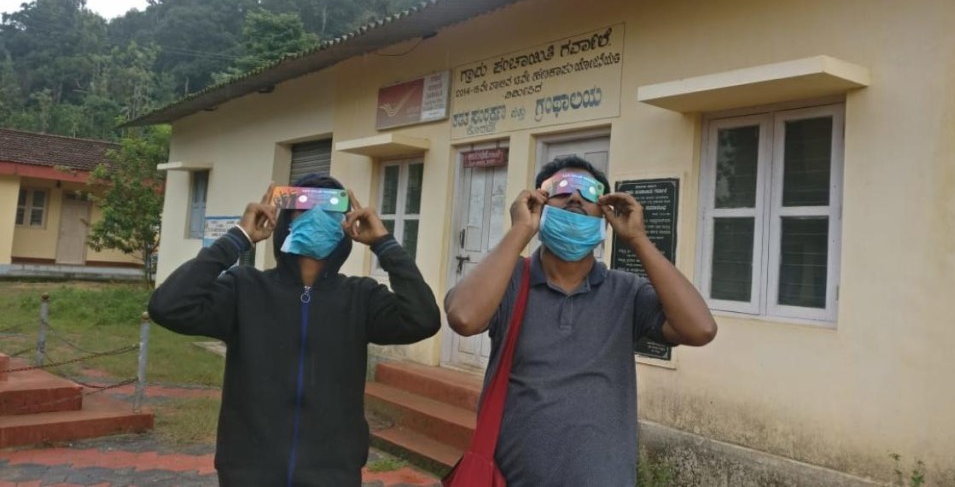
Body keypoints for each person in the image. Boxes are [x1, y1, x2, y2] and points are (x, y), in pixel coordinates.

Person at [148, 173, 441, 487]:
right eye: (303, 205)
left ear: (345, 224)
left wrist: (384, 243)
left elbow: (423, 319)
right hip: (248, 474)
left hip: (333, 475)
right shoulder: (244, 289)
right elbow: (168, 306)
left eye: (329, 208)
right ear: (284, 218)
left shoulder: (361, 297)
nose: (316, 215)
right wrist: (238, 237)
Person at [445, 156, 717, 487]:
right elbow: (464, 317)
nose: (575, 197)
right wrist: (520, 230)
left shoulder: (626, 292)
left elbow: (700, 328)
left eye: (589, 192)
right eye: (560, 189)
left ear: (604, 212)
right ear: (538, 203)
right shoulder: (508, 280)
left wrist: (638, 240)